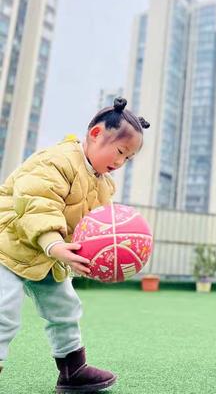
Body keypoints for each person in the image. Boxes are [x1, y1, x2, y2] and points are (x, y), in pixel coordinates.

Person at [0, 98, 149, 393]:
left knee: (66, 308)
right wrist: (53, 244)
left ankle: (73, 369)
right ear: (95, 134)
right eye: (120, 151)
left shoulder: (104, 184)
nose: (120, 162)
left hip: (48, 255)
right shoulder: (57, 160)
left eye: (128, 159)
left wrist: (95, 255)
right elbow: (36, 203)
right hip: (9, 244)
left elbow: (92, 228)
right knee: (4, 311)